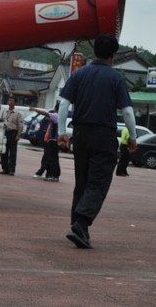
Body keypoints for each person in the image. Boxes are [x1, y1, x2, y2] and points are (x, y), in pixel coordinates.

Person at [58, 34, 137, 249]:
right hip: (104, 136)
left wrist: (62, 132)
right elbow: (127, 111)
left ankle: (77, 226)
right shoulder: (116, 78)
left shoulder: (79, 74)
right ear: (113, 55)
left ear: (95, 53)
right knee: (99, 182)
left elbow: (64, 104)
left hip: (81, 135)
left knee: (81, 183)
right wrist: (132, 136)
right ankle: (82, 223)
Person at [30, 102, 61, 182]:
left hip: (54, 141)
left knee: (52, 159)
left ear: (55, 109)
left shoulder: (57, 116)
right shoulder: (60, 116)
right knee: (53, 158)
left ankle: (53, 175)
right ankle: (52, 174)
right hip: (54, 140)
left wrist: (34, 109)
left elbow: (45, 113)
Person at [0, 97, 23, 176]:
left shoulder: (18, 113)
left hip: (13, 133)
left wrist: (18, 135)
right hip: (5, 132)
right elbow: (1, 121)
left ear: (15, 103)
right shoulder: (4, 111)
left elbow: (20, 125)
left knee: (12, 153)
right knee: (4, 151)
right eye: (9, 100)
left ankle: (11, 169)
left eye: (12, 101)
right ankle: (4, 168)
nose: (10, 102)